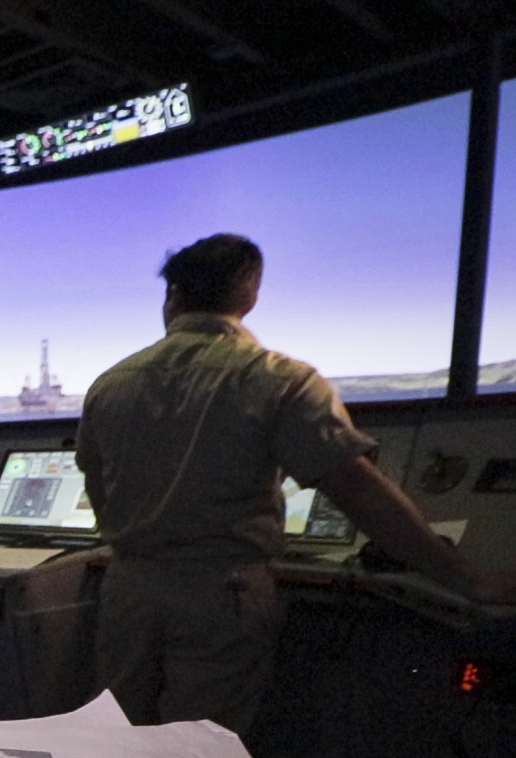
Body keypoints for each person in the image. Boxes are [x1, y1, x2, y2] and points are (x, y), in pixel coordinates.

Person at [76, 233, 516, 731]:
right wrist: (467, 579)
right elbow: (356, 489)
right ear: (250, 295)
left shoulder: (111, 383)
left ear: (172, 296)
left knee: (116, 741)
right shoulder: (279, 378)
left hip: (128, 588)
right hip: (221, 592)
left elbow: (97, 485)